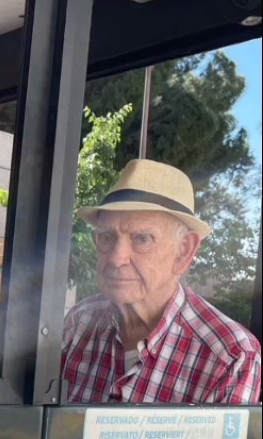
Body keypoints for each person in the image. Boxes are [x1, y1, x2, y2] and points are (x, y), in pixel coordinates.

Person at [62, 159, 261, 403]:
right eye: (106, 237)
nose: (116, 258)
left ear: (184, 251)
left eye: (142, 239)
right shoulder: (79, 322)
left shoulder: (230, 357)